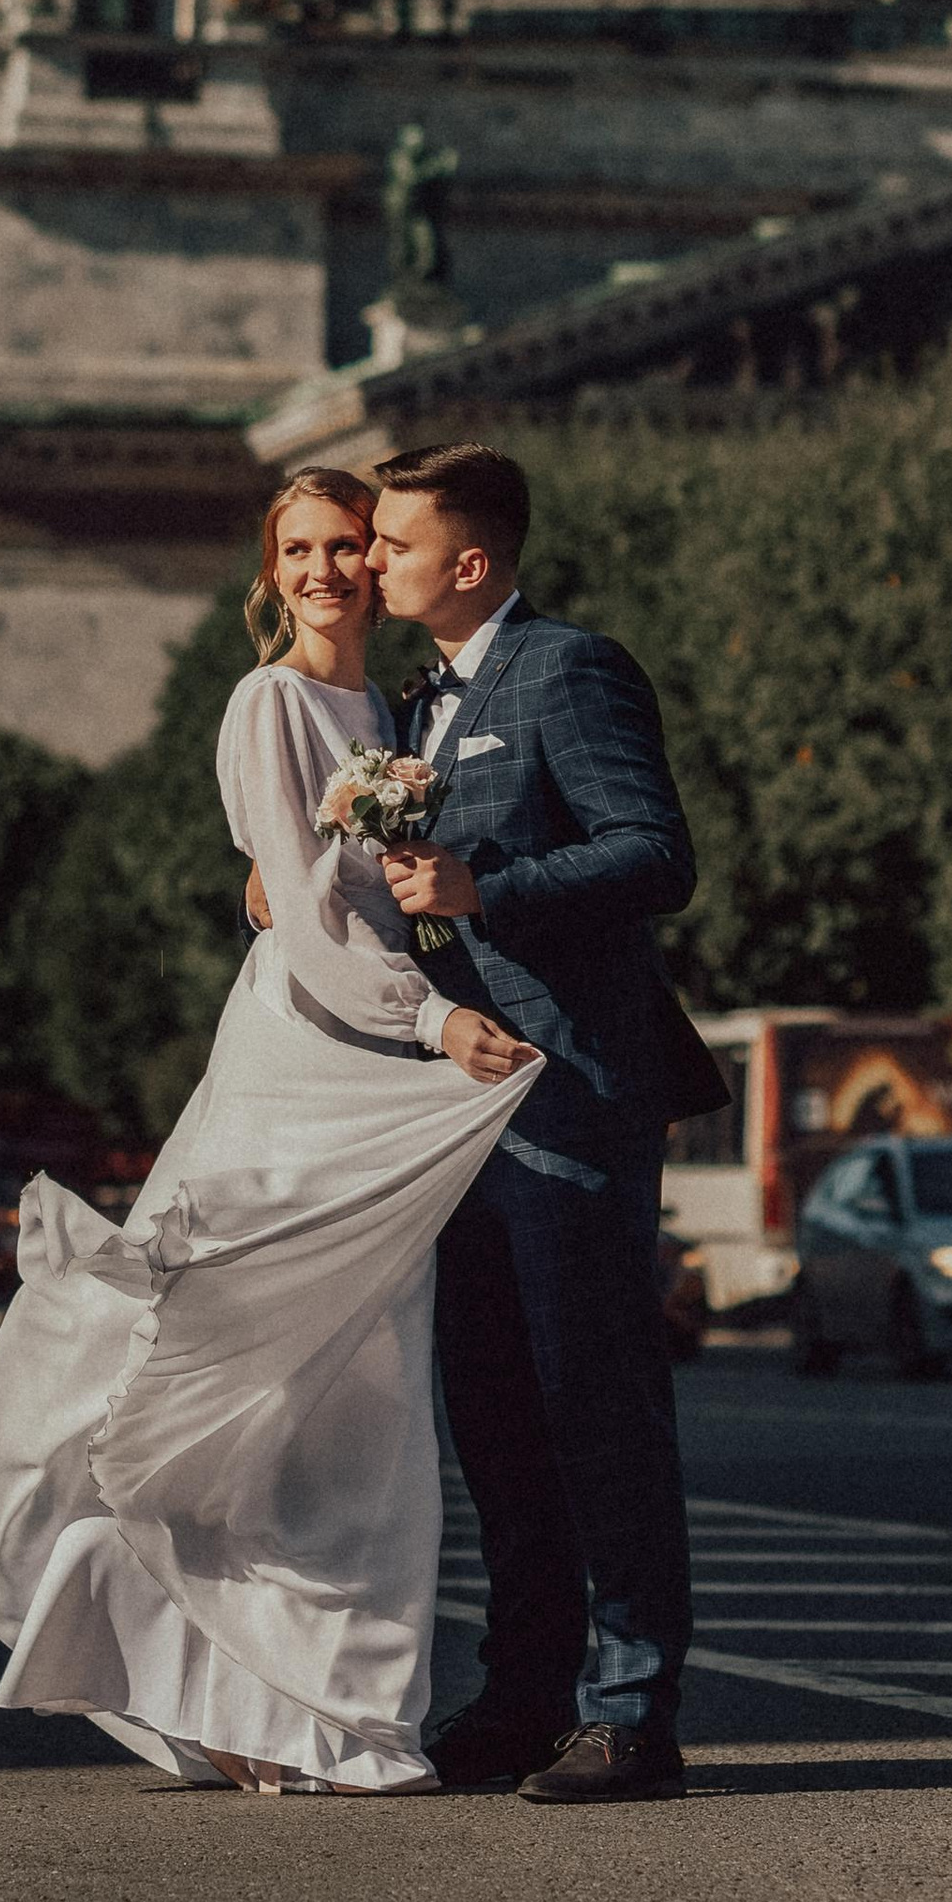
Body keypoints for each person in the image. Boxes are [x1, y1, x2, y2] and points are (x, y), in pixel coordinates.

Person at [0, 467, 540, 1794]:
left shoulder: (395, 712)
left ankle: (316, 1711)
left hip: (381, 1051)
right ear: (268, 571)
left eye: (350, 546)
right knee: (262, 1373)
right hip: (308, 1055)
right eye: (301, 551)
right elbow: (307, 907)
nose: (328, 570)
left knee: (362, 1398)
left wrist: (430, 973)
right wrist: (427, 1023)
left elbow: (370, 891)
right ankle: (232, 1683)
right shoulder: (268, 699)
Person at [365, 440, 725, 1804]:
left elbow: (654, 853)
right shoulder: (412, 702)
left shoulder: (567, 669)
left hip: (570, 1089)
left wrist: (488, 888)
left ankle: (631, 1712)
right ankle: (521, 1695)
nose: (373, 560)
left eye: (395, 542)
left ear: (473, 561)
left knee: (596, 1406)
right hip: (451, 1115)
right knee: (497, 1412)